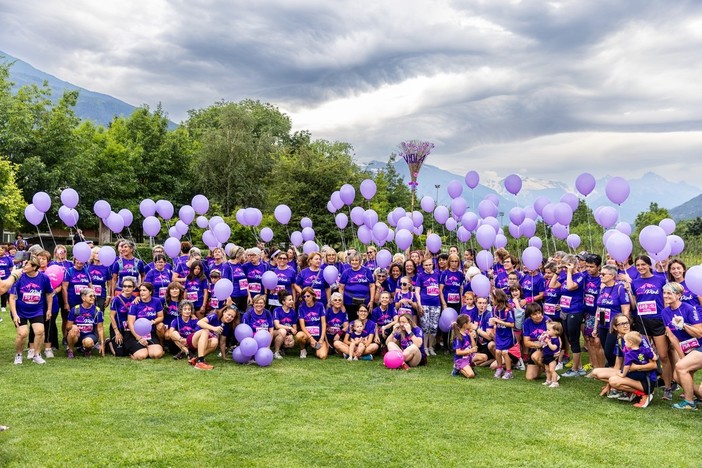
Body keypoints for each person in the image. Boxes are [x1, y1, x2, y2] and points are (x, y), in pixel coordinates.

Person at [626, 255, 672, 398]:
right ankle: (646, 386)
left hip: (658, 321)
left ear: (649, 265)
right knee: (644, 355)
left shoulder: (660, 279)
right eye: (638, 265)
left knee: (663, 356)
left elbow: (666, 301)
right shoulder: (635, 282)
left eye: (643, 265)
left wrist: (666, 320)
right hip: (642, 322)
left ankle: (668, 387)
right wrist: (629, 292)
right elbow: (634, 304)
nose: (640, 268)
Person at [661, 282, 702, 410]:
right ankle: (700, 396)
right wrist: (682, 355)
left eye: (669, 293)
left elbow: (699, 333)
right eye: (665, 293)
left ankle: (689, 402)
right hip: (687, 349)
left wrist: (684, 325)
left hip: (700, 346)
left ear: (678, 295)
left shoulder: (689, 308)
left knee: (680, 367)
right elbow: (672, 337)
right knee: (677, 376)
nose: (666, 296)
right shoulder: (665, 312)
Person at [9, 255, 54, 364]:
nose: (24, 266)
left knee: (40, 331)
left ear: (34, 267)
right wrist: (15, 315)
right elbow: (12, 297)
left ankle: (36, 355)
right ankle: (18, 355)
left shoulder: (44, 278)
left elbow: (49, 294)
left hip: (37, 310)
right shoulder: (19, 277)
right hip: (20, 311)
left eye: (27, 264)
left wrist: (49, 310)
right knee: (23, 333)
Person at [551, 254, 587, 377]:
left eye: (567, 266)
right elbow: (552, 286)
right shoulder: (565, 275)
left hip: (575, 311)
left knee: (574, 340)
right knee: (570, 339)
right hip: (565, 311)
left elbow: (571, 287)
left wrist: (570, 272)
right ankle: (579, 366)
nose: (565, 269)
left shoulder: (580, 277)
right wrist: (557, 272)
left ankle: (575, 369)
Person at [607, 331, 658, 408]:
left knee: (614, 380)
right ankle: (635, 393)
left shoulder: (629, 354)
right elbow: (655, 358)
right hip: (650, 380)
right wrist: (652, 352)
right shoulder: (645, 350)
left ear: (630, 343)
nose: (625, 343)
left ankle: (643, 394)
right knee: (614, 379)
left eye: (626, 342)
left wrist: (623, 374)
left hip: (644, 381)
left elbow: (627, 366)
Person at [593, 264, 631, 367]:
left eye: (603, 274)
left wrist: (622, 328)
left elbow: (625, 310)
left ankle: (617, 371)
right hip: (602, 324)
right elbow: (598, 309)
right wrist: (595, 327)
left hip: (614, 326)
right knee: (606, 351)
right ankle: (613, 371)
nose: (600, 276)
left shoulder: (620, 289)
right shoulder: (602, 289)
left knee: (610, 352)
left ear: (612, 275)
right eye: (600, 274)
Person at [189, 305, 238, 370]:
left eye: (232, 317)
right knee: (205, 331)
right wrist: (214, 328)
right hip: (194, 339)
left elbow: (222, 342)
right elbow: (199, 322)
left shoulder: (226, 326)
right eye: (228, 314)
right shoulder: (215, 316)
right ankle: (200, 362)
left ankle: (197, 359)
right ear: (224, 312)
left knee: (215, 341)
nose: (229, 317)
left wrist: (224, 356)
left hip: (205, 343)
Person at [125, 282, 165, 361]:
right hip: (135, 335)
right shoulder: (135, 304)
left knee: (156, 355)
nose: (141, 292)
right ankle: (134, 352)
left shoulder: (156, 301)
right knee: (142, 356)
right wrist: (139, 338)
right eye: (140, 290)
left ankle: (157, 346)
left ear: (150, 292)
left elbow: (161, 317)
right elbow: (130, 323)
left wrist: (154, 321)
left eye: (144, 290)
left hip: (149, 333)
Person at [65, 288, 105, 358]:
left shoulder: (97, 311)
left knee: (88, 342)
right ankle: (70, 351)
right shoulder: (75, 309)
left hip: (90, 335)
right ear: (83, 298)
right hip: (77, 335)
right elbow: (67, 327)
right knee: (72, 332)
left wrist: (102, 343)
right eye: (90, 296)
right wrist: (73, 326)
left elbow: (100, 328)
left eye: (94, 296)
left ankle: (86, 349)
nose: (93, 298)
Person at [338, 252, 374, 321]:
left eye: (356, 260)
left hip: (365, 301)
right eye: (352, 260)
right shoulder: (346, 272)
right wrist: (341, 304)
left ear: (360, 261)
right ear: (350, 261)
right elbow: (341, 288)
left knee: (364, 321)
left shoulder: (367, 271)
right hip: (349, 303)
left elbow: (372, 286)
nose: (354, 262)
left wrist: (371, 301)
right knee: (352, 322)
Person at [416, 257, 441, 356]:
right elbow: (417, 291)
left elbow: (440, 289)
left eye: (430, 264)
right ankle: (425, 347)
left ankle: (431, 347)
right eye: (426, 265)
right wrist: (419, 304)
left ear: (433, 264)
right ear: (423, 266)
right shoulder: (420, 276)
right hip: (424, 303)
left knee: (434, 326)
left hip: (436, 304)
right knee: (425, 326)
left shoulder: (437, 274)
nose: (428, 267)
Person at [106, 278, 136, 357]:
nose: (127, 288)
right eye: (124, 286)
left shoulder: (135, 299)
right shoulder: (116, 299)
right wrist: (116, 332)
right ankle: (109, 343)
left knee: (128, 349)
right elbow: (112, 316)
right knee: (119, 354)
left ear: (133, 288)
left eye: (129, 286)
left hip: (129, 328)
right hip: (117, 327)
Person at [296, 286, 328, 359]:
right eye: (304, 296)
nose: (306, 298)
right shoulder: (301, 307)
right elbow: (302, 326)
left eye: (308, 296)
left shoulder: (320, 305)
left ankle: (316, 348)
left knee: (322, 356)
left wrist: (322, 338)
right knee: (299, 336)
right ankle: (303, 349)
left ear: (313, 295)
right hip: (308, 336)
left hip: (318, 336)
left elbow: (323, 323)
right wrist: (311, 339)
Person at [491, 289, 516, 379]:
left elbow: (512, 324)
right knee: (497, 352)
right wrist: (493, 323)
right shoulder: (494, 309)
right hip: (499, 334)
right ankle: (500, 368)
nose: (491, 300)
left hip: (508, 336)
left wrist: (499, 321)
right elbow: (494, 321)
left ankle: (509, 371)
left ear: (498, 299)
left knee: (505, 352)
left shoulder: (508, 310)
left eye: (493, 299)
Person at [523, 303, 550, 381]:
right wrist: (538, 345)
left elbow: (555, 337)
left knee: (535, 356)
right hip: (536, 347)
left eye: (539, 313)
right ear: (530, 316)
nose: (538, 316)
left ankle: (550, 371)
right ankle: (543, 368)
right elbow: (526, 342)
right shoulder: (527, 322)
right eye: (534, 314)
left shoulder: (547, 320)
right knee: (530, 377)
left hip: (547, 348)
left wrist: (542, 345)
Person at [272, 291, 298, 359]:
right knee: (282, 331)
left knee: (291, 343)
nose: (292, 301)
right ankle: (276, 352)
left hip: (287, 334)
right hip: (275, 333)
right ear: (283, 302)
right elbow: (277, 326)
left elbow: (295, 328)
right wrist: (289, 328)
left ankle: (281, 349)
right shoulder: (276, 310)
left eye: (292, 299)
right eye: (289, 300)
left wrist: (291, 335)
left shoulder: (293, 312)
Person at [451, 314, 477, 378]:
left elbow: (474, 347)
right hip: (461, 359)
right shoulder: (458, 337)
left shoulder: (467, 334)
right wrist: (470, 351)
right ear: (465, 325)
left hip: (468, 357)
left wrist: (471, 336)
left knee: (484, 357)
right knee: (471, 375)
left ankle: (468, 366)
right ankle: (458, 368)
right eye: (469, 322)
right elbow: (458, 352)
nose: (471, 324)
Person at [225, 245, 250, 313]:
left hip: (244, 296)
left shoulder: (239, 265)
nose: (244, 256)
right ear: (238, 255)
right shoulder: (227, 266)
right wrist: (228, 297)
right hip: (234, 296)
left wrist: (249, 295)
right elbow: (224, 283)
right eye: (243, 254)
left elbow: (244, 281)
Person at [541, 322, 563, 388]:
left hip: (552, 356)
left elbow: (554, 348)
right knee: (547, 370)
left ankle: (555, 382)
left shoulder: (555, 339)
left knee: (552, 370)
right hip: (546, 355)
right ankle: (548, 380)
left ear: (556, 331)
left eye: (549, 330)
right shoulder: (549, 337)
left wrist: (548, 343)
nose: (547, 331)